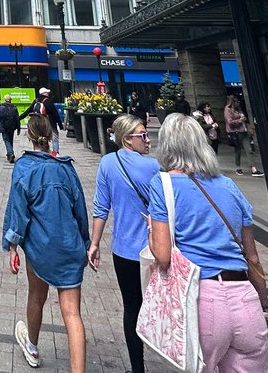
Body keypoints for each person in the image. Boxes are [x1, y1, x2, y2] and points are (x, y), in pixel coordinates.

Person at [147, 113, 268, 371]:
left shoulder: (163, 185)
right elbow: (252, 258)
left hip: (202, 300)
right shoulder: (229, 185)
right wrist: (265, 309)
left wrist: (150, 233)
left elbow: (162, 256)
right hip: (245, 298)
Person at [2, 114, 91, 373]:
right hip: (69, 245)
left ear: (29, 136)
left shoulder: (24, 168)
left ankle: (32, 346)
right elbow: (80, 210)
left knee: (36, 296)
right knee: (72, 313)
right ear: (50, 135)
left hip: (40, 247)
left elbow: (18, 213)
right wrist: (86, 243)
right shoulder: (66, 168)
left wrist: (12, 246)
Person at [88, 114, 159, 373]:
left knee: (132, 307)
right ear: (127, 139)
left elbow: (100, 207)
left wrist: (94, 243)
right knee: (159, 303)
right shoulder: (154, 168)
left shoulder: (107, 163)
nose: (148, 140)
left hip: (124, 250)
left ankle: (137, 367)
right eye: (142, 135)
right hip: (155, 250)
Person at [20, 87, 63, 154]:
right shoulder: (49, 101)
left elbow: (28, 111)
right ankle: (56, 153)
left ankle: (40, 152)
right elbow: (55, 114)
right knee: (55, 139)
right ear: (43, 93)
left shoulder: (36, 101)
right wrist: (60, 125)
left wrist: (19, 118)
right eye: (46, 92)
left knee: (39, 138)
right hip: (50, 123)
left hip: (38, 123)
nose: (48, 93)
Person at [225, 95, 251, 175]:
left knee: (249, 150)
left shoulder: (239, 109)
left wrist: (244, 119)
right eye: (236, 101)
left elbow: (244, 117)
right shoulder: (228, 109)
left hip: (244, 131)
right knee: (238, 150)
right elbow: (229, 122)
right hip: (235, 132)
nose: (238, 103)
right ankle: (238, 167)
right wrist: (239, 120)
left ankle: (253, 168)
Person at [0, 94, 21, 163]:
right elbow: (17, 119)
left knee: (6, 140)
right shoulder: (14, 107)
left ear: (5, 100)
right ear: (10, 100)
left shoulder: (1, 107)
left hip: (4, 126)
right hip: (12, 127)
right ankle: (9, 154)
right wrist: (18, 128)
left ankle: (10, 153)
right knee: (10, 140)